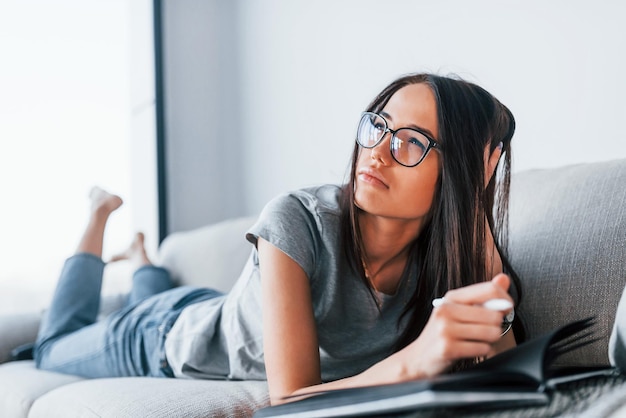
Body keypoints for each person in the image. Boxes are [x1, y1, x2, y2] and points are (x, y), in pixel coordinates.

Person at [34, 72, 523, 405]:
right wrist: (414, 360)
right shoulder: (296, 219)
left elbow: (509, 376)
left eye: (411, 142)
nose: (376, 152)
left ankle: (143, 260)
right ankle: (99, 213)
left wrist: (475, 200)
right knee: (51, 347)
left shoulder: (442, 257)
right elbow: (290, 401)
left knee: (160, 297)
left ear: (459, 171)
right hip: (163, 338)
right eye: (378, 126)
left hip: (222, 310)